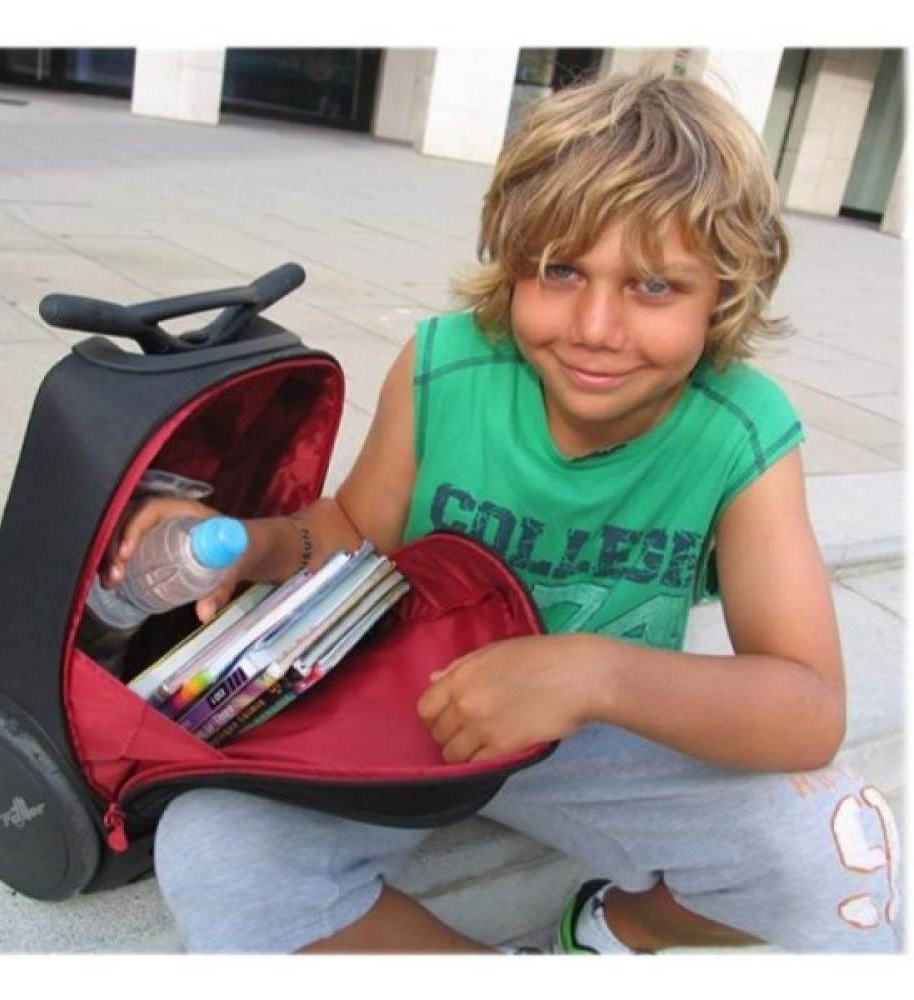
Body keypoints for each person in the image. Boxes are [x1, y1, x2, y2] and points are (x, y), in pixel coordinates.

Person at [107, 67, 901, 954]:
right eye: (561, 270)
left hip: (599, 731)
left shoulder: (741, 433)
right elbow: (352, 533)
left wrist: (593, 676)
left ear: (724, 294)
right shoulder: (445, 367)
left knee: (846, 857)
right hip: (410, 703)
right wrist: (245, 545)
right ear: (514, 261)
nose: (595, 327)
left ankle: (613, 929)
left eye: (654, 287)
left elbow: (808, 706)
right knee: (213, 847)